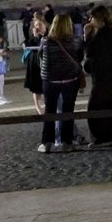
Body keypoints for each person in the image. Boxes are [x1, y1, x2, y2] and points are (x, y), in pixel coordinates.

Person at [39, 14, 84, 153]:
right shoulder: (76, 41)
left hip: (50, 80)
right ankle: (66, 142)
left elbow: (40, 57)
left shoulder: (45, 41)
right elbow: (79, 58)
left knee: (49, 110)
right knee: (68, 111)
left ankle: (47, 143)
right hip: (70, 80)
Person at [82, 6, 112, 146]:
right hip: (108, 75)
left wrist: (86, 37)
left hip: (104, 75)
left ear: (99, 18)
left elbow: (91, 53)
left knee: (95, 106)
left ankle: (101, 137)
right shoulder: (110, 33)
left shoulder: (104, 34)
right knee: (108, 104)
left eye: (92, 17)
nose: (90, 20)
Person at [23, 16, 47, 112]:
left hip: (45, 62)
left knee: (45, 84)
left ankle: (46, 104)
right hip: (34, 63)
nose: (38, 27)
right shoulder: (32, 36)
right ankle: (38, 106)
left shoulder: (48, 35)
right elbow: (29, 46)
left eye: (40, 24)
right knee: (36, 86)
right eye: (36, 25)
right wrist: (35, 36)